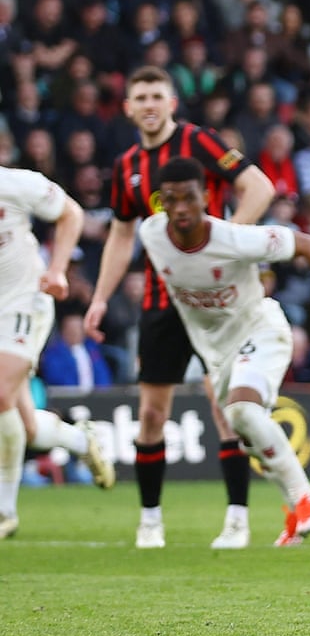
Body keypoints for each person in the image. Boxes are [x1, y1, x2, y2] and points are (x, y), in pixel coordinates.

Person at [83, 66, 275, 550]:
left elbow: (260, 187)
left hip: (213, 297)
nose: (149, 104)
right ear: (128, 107)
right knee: (151, 413)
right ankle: (150, 520)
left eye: (156, 96)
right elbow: (121, 235)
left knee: (223, 406)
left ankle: (237, 519)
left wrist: (230, 243)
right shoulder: (127, 164)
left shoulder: (201, 142)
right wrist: (101, 297)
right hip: (160, 300)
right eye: (140, 97)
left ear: (171, 103)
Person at [140, 156, 310, 545]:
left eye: (189, 198)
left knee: (242, 412)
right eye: (171, 199)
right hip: (218, 352)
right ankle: (295, 515)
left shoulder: (233, 238)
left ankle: (306, 500)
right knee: (249, 431)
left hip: (261, 330)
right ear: (161, 202)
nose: (180, 208)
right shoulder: (151, 234)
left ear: (206, 199)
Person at [1, 166, 113, 539]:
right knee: (26, 426)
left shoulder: (15, 184)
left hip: (23, 302)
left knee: (0, 393)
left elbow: (71, 213)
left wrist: (58, 269)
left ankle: (5, 512)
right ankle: (79, 440)